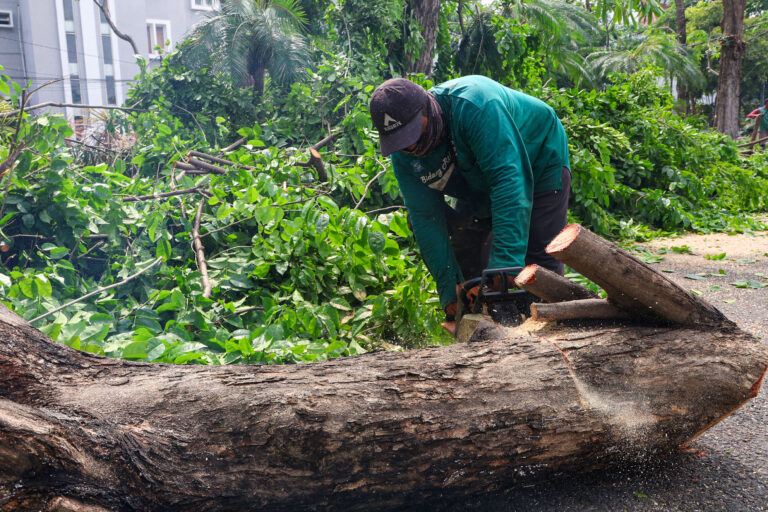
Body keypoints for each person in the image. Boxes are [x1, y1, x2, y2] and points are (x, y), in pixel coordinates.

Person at [369, 75, 571, 332]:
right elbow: (425, 218)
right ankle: (487, 335)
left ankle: (553, 334)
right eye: (401, 141)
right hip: (476, 176)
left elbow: (508, 182)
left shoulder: (474, 104)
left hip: (538, 157)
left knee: (536, 260)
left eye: (412, 133)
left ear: (427, 109)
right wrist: (450, 291)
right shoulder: (403, 157)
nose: (410, 146)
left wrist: (505, 268)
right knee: (468, 251)